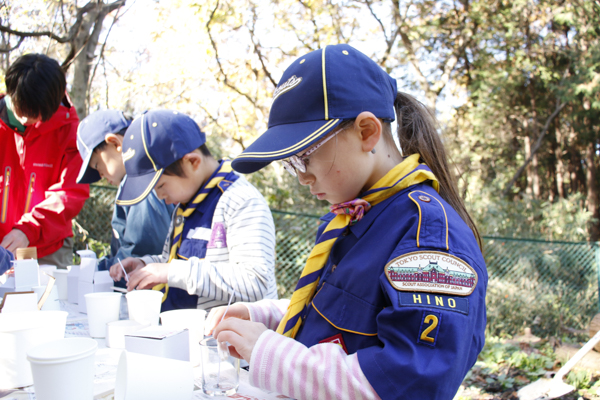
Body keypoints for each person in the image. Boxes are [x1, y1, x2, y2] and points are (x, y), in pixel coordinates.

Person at [207, 44, 488, 400]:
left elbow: (409, 384)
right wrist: (263, 316)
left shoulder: (427, 237)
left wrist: (268, 354)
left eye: (305, 156)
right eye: (291, 164)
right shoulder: (352, 218)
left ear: (367, 132)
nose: (302, 178)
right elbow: (342, 311)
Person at [109, 110, 278, 311]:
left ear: (192, 162)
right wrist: (146, 265)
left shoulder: (241, 201)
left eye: (161, 186)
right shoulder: (186, 204)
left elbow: (255, 282)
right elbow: (174, 263)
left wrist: (170, 272)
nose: (159, 196)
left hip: (228, 338)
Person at [0, 53, 89, 268]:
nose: (24, 119)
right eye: (20, 109)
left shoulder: (70, 131)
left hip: (49, 245)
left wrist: (29, 229)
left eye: (34, 115)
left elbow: (70, 192)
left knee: (53, 300)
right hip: (2, 244)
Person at [75, 110, 175, 278]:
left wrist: (103, 271)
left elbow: (143, 249)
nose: (101, 176)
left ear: (115, 143)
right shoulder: (131, 182)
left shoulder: (138, 184)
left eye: (98, 165)